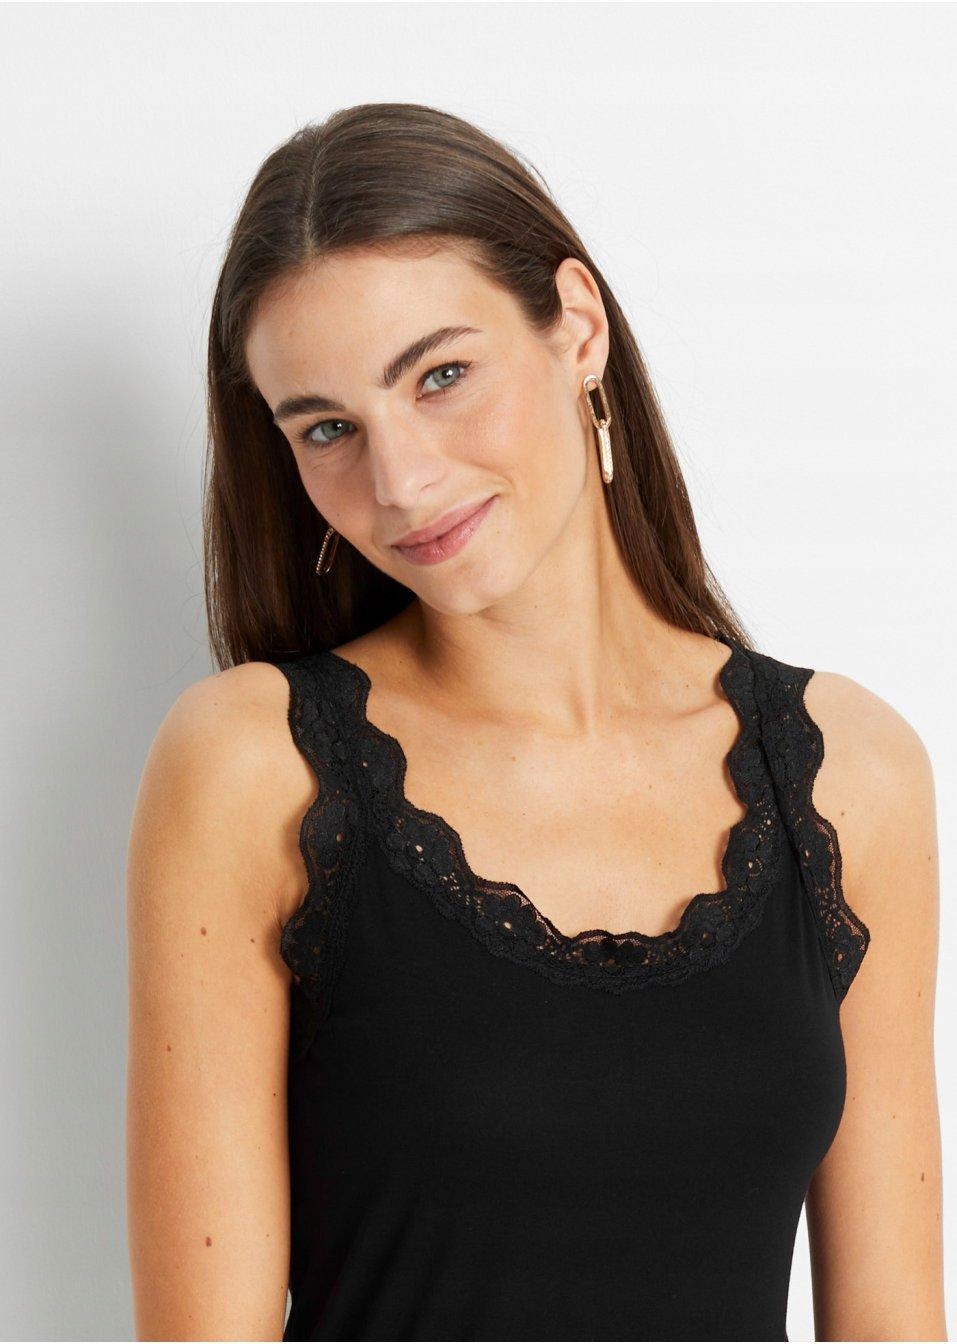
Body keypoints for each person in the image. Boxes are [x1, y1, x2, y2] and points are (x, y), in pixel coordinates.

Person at [125, 104, 946, 1341]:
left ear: (578, 327)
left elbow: (892, 1321)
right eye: (328, 429)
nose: (400, 480)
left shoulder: (846, 776)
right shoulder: (254, 768)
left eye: (441, 376)